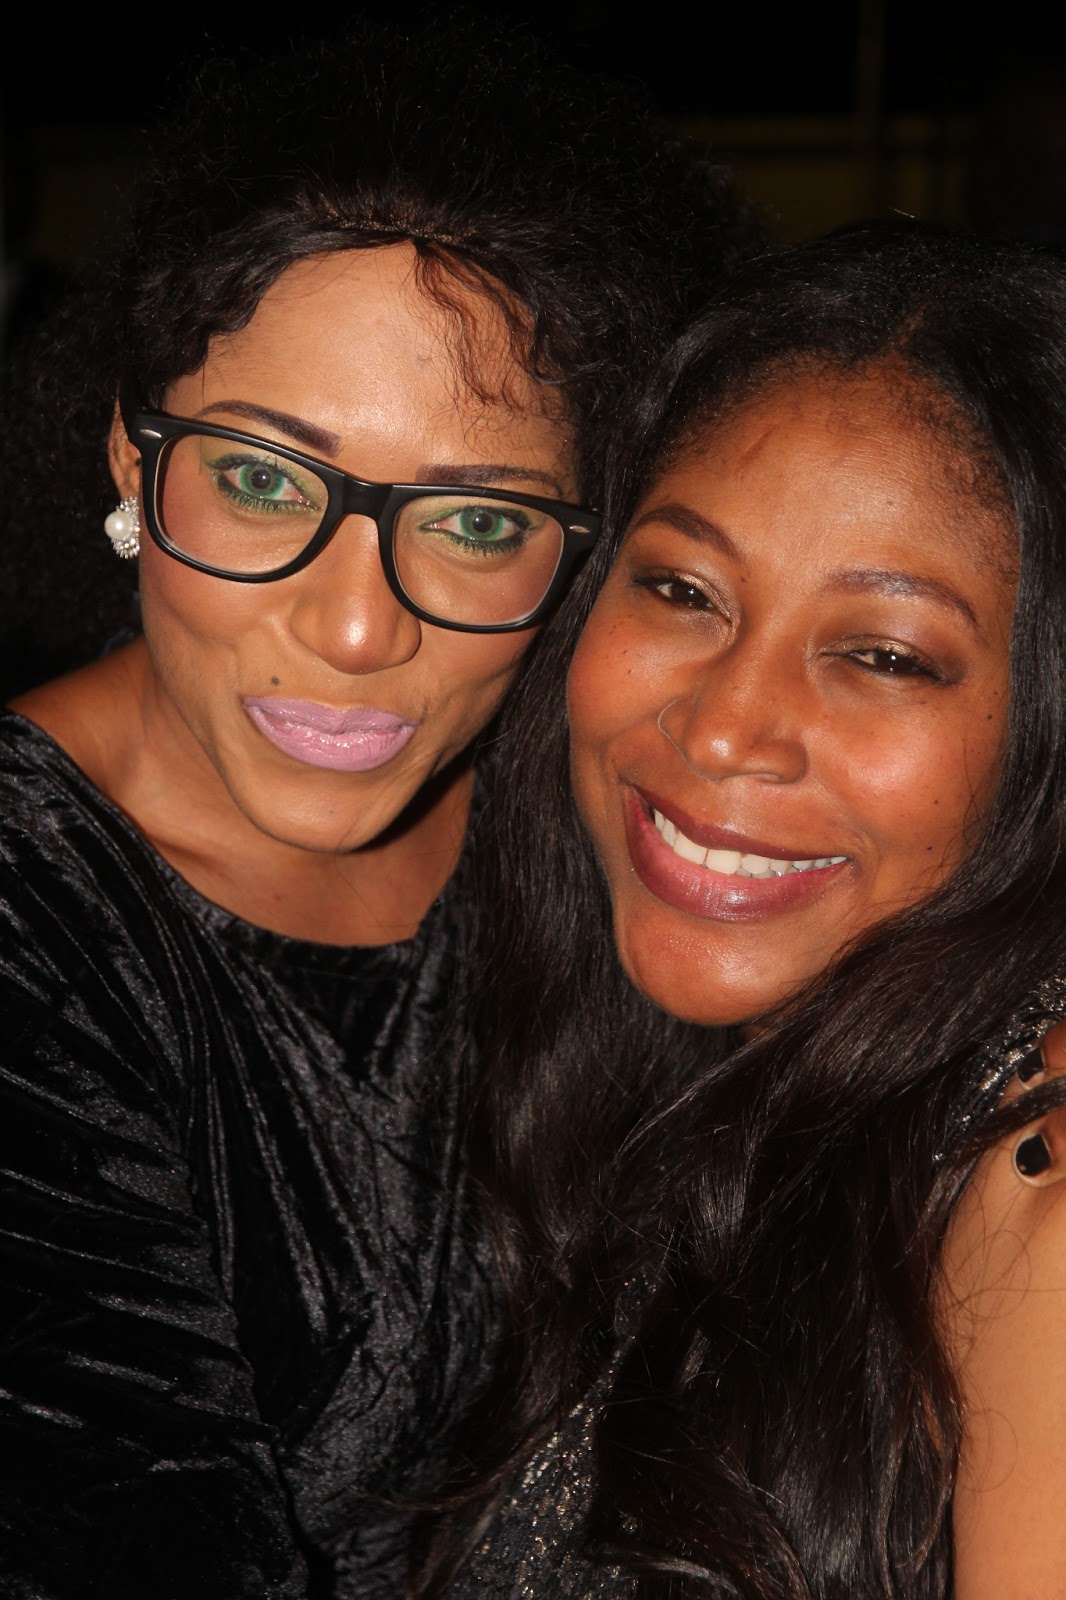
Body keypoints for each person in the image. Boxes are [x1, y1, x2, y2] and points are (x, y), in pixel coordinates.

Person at [0, 20, 755, 1597]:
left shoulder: (608, 834)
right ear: (130, 458)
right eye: (262, 480)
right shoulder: (34, 911)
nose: (357, 629)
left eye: (476, 521)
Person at [416, 226, 1066, 1599]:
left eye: (882, 655)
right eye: (680, 590)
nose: (723, 729)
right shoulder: (641, 1088)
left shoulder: (1039, 1188)